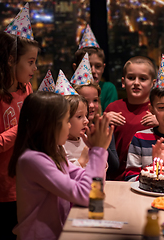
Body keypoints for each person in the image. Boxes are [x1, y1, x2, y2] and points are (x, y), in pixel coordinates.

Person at [8, 91, 114, 239]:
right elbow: (87, 195)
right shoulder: (32, 160)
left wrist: (95, 152)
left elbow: (92, 187)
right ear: (50, 125)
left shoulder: (55, 152)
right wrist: (98, 151)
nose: (69, 126)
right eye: (66, 121)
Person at [0, 31, 38, 239]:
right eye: (31, 62)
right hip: (3, 189)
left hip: (29, 180)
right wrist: (20, 128)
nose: (35, 68)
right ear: (10, 60)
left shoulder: (26, 88)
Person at [105, 56, 159, 180]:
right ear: (123, 82)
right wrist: (104, 122)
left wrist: (161, 124)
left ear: (153, 83)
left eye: (143, 78)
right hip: (115, 177)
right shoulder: (113, 108)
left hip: (148, 177)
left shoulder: (158, 111)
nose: (136, 82)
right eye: (131, 78)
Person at [74, 25, 118, 111]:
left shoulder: (109, 88)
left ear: (103, 68)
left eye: (98, 66)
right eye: (88, 66)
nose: (93, 71)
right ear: (75, 68)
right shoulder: (70, 91)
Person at [63, 95, 90, 168]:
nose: (86, 121)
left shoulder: (87, 140)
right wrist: (82, 160)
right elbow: (64, 174)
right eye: (79, 116)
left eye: (86, 115)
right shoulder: (59, 146)